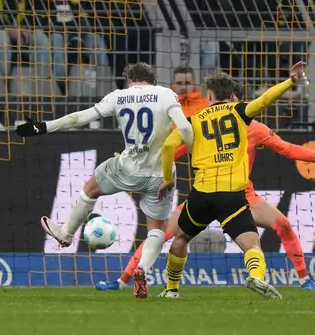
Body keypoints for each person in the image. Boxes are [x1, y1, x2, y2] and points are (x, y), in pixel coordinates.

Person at [95, 82, 315, 293]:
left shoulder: (247, 127)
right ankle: (122, 280)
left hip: (234, 194)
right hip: (229, 194)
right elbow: (176, 150)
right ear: (232, 98)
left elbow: (287, 149)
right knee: (166, 234)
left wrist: (136, 165)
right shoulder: (238, 118)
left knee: (283, 225)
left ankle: (303, 278)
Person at [15, 62, 194, 299]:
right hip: (160, 175)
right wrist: (195, 157)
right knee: (157, 229)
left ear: (130, 80)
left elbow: (80, 117)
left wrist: (45, 126)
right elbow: (184, 127)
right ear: (152, 79)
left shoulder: (119, 97)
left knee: (90, 189)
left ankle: (66, 233)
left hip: (126, 168)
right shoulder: (166, 95)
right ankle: (142, 270)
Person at [158, 64, 309, 300]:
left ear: (209, 96)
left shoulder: (193, 120)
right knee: (252, 245)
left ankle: (171, 289)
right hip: (231, 195)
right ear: (230, 96)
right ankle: (256, 277)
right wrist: (291, 81)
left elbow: (167, 147)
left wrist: (167, 179)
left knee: (180, 239)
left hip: (202, 194)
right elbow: (265, 100)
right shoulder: (240, 112)